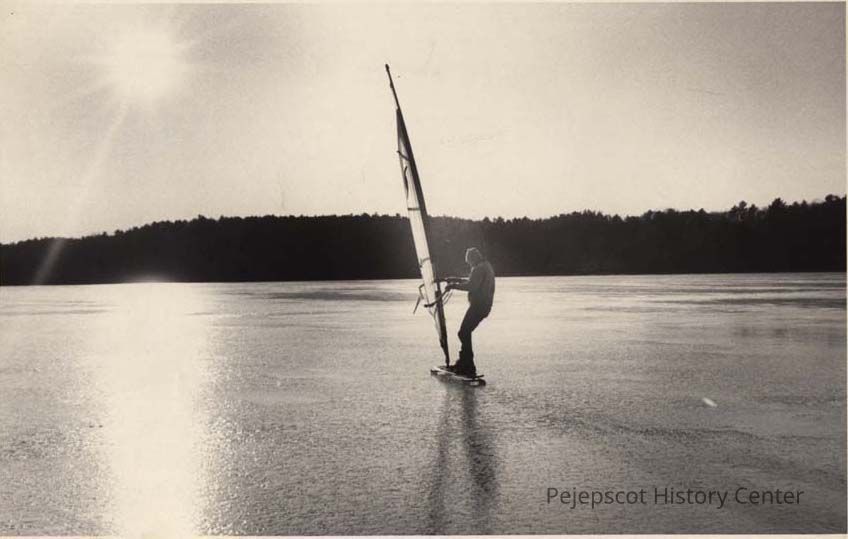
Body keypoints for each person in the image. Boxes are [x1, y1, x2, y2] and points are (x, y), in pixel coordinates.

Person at [443, 247, 495, 377]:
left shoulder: (479, 268)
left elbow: (472, 286)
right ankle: (465, 363)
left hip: (478, 306)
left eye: (469, 262)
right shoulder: (486, 265)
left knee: (463, 332)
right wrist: (457, 279)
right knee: (465, 332)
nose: (469, 264)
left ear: (473, 259)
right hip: (484, 306)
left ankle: (467, 365)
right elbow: (473, 281)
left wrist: (453, 286)